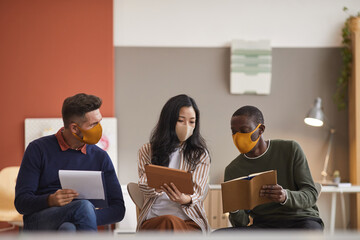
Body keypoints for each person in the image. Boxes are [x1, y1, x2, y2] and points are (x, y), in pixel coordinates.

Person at [15, 93, 125, 231]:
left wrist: (84, 215)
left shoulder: (100, 157)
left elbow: (118, 209)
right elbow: (21, 203)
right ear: (74, 128)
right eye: (93, 124)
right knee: (83, 207)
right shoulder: (38, 149)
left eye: (99, 122)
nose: (99, 128)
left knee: (69, 228)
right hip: (40, 221)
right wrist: (50, 200)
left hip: (78, 220)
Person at [222, 105, 323, 230]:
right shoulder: (233, 170)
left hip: (301, 220)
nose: (238, 136)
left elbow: (311, 194)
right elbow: (241, 224)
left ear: (261, 129)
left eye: (244, 131)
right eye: (234, 132)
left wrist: (285, 196)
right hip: (263, 225)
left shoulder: (290, 149)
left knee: (309, 233)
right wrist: (234, 209)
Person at [137, 94, 210, 232]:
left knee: (172, 223)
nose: (187, 126)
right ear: (168, 121)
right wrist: (157, 186)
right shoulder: (147, 150)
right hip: (155, 220)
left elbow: (199, 192)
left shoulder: (200, 154)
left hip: (189, 221)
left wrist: (185, 199)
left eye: (192, 122)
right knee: (169, 221)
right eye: (181, 120)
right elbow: (143, 185)